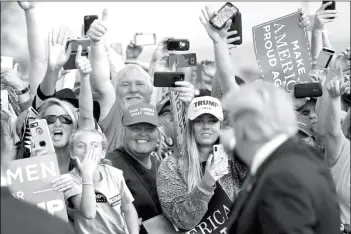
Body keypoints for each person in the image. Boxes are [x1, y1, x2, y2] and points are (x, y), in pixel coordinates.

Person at [222, 82, 340, 234]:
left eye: (235, 129)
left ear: (250, 130)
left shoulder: (281, 179)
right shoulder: (303, 157)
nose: (233, 137)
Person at [157, 96, 247, 231]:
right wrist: (206, 183)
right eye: (199, 121)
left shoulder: (233, 156)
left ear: (220, 125)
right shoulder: (171, 165)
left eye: (212, 121)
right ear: (190, 125)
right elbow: (183, 221)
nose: (206, 127)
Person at [0, 122, 76, 234]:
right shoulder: (55, 227)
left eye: (65, 119)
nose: (57, 124)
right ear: (9, 154)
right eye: (50, 119)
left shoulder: (82, 170)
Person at [64, 129, 139, 234]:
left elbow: (128, 209)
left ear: (103, 152)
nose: (87, 151)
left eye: (94, 146)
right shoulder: (69, 180)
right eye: (81, 146)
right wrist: (87, 174)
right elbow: (89, 213)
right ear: (72, 153)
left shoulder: (114, 174)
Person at [106, 103, 163, 233]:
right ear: (123, 131)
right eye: (136, 128)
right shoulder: (109, 165)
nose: (143, 133)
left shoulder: (162, 166)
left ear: (158, 134)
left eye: (149, 129)